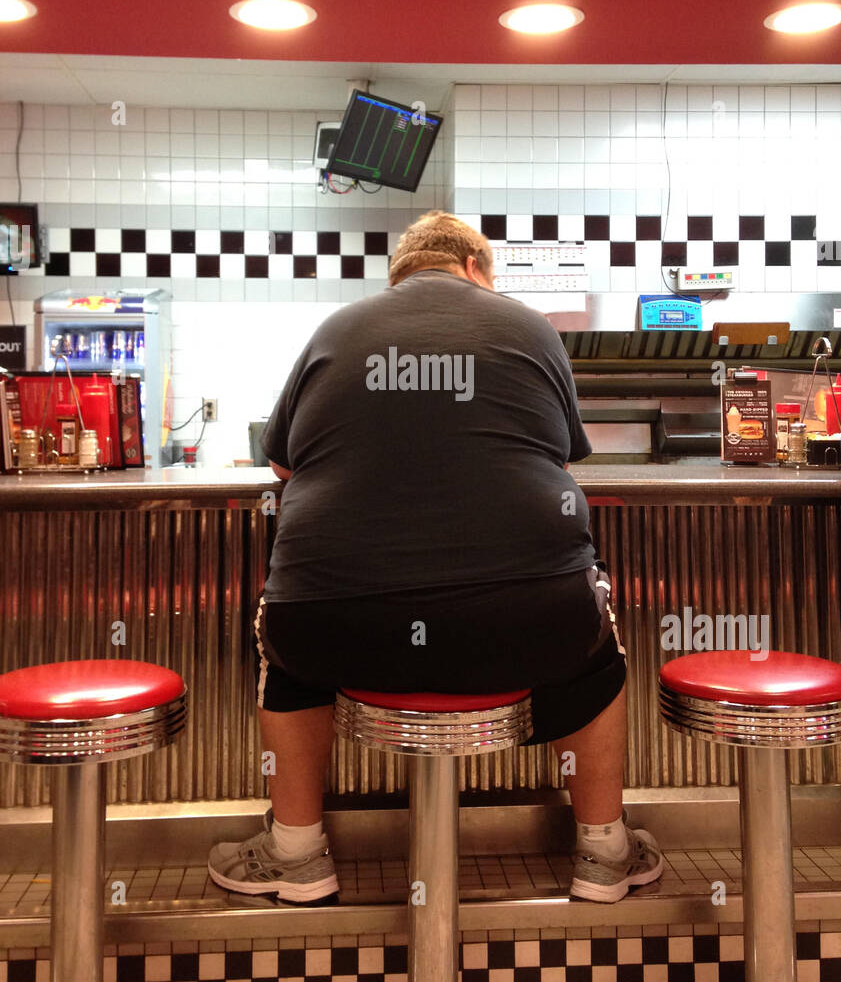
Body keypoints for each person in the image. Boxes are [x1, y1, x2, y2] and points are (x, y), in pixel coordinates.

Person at [208, 212, 662, 906]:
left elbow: (279, 461)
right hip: (527, 626)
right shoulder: (528, 326)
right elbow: (563, 453)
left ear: (400, 275)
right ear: (477, 268)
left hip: (337, 630)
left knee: (286, 638)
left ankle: (296, 852)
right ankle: (604, 850)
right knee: (595, 647)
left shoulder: (337, 328)